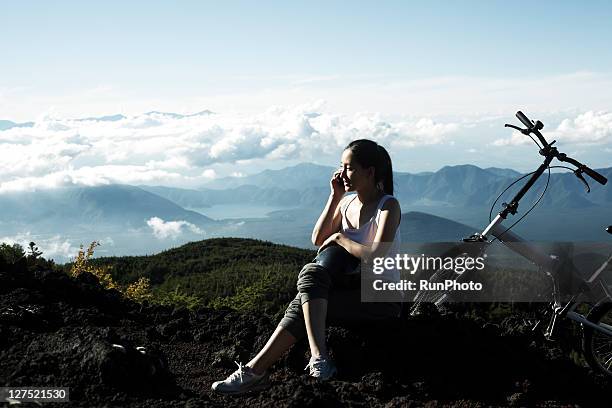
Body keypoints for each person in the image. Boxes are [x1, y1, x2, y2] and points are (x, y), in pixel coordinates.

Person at [211, 139, 402, 394]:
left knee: (304, 302)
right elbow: (318, 238)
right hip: (350, 286)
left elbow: (376, 255)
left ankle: (258, 371)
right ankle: (313, 358)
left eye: (349, 167)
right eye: (342, 167)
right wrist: (335, 197)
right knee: (310, 283)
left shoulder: (387, 205)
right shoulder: (346, 203)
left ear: (370, 171)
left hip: (381, 296)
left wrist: (340, 238)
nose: (342, 173)